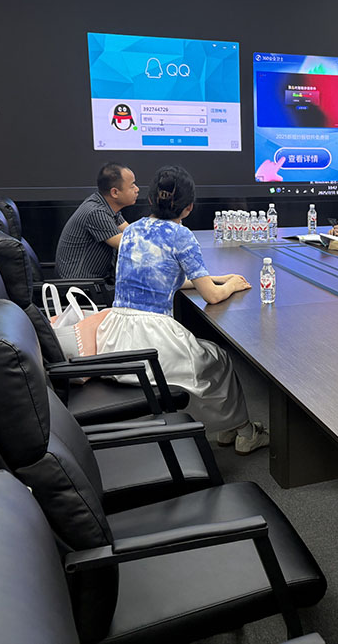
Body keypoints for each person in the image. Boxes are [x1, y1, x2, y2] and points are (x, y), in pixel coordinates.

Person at [96, 165, 269, 455]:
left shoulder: (132, 230)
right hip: (153, 341)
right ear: (189, 208)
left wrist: (215, 278)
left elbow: (164, 278)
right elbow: (212, 297)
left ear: (150, 200)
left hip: (115, 337)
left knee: (207, 360)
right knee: (218, 359)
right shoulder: (181, 235)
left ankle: (229, 427)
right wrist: (231, 285)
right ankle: (243, 431)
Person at [55, 163, 139, 279]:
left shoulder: (107, 207)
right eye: (132, 186)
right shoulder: (96, 212)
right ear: (114, 192)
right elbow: (131, 246)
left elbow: (133, 233)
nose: (137, 189)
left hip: (94, 282)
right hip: (79, 286)